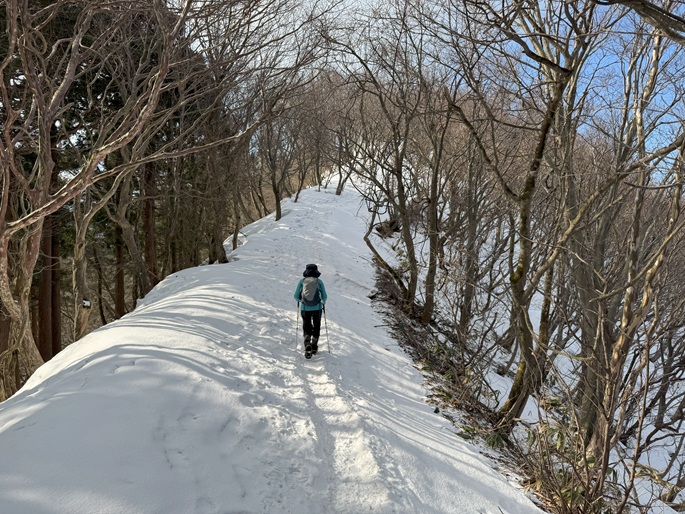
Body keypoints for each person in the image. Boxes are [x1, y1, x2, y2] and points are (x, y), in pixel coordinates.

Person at [294, 263, 327, 359]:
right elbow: (324, 296)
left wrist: (301, 300)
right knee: (316, 326)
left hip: (305, 308)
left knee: (306, 325)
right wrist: (322, 302)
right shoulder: (319, 282)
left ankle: (307, 342)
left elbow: (296, 296)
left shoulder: (302, 281)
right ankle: (314, 346)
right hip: (317, 308)